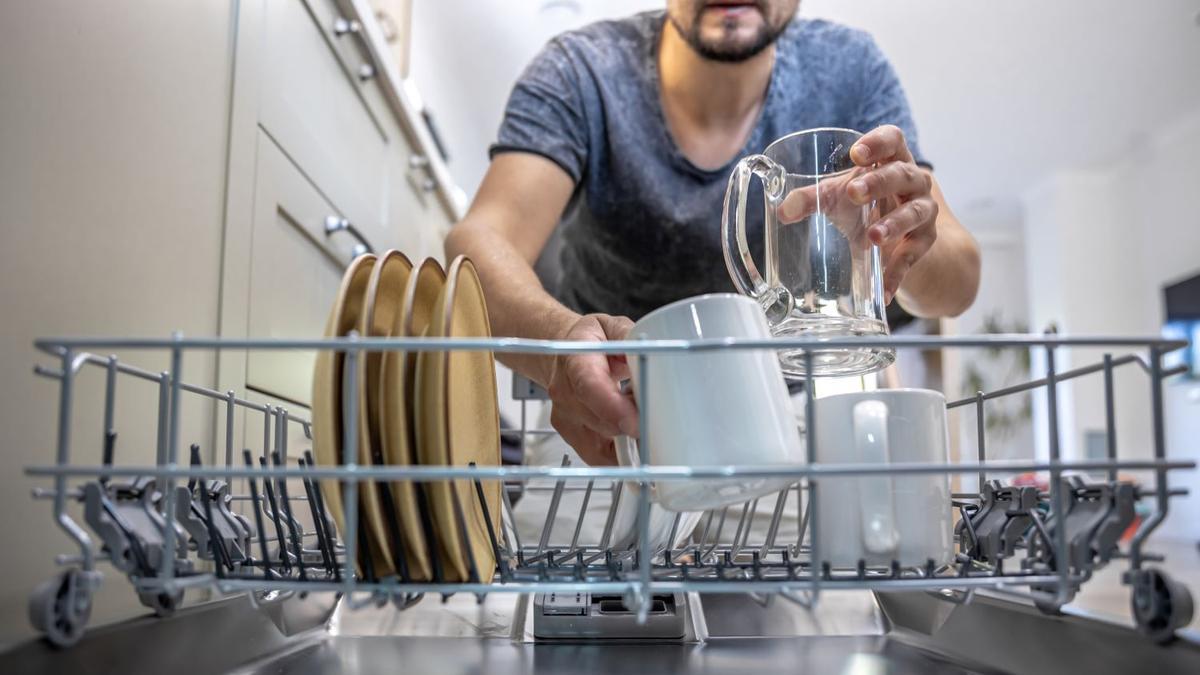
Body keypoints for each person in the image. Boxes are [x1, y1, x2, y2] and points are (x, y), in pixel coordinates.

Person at [446, 0, 981, 467]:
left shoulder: (853, 71)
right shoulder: (580, 70)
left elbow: (958, 282)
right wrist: (561, 347)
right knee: (564, 584)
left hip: (783, 424)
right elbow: (479, 243)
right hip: (604, 421)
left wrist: (905, 239)